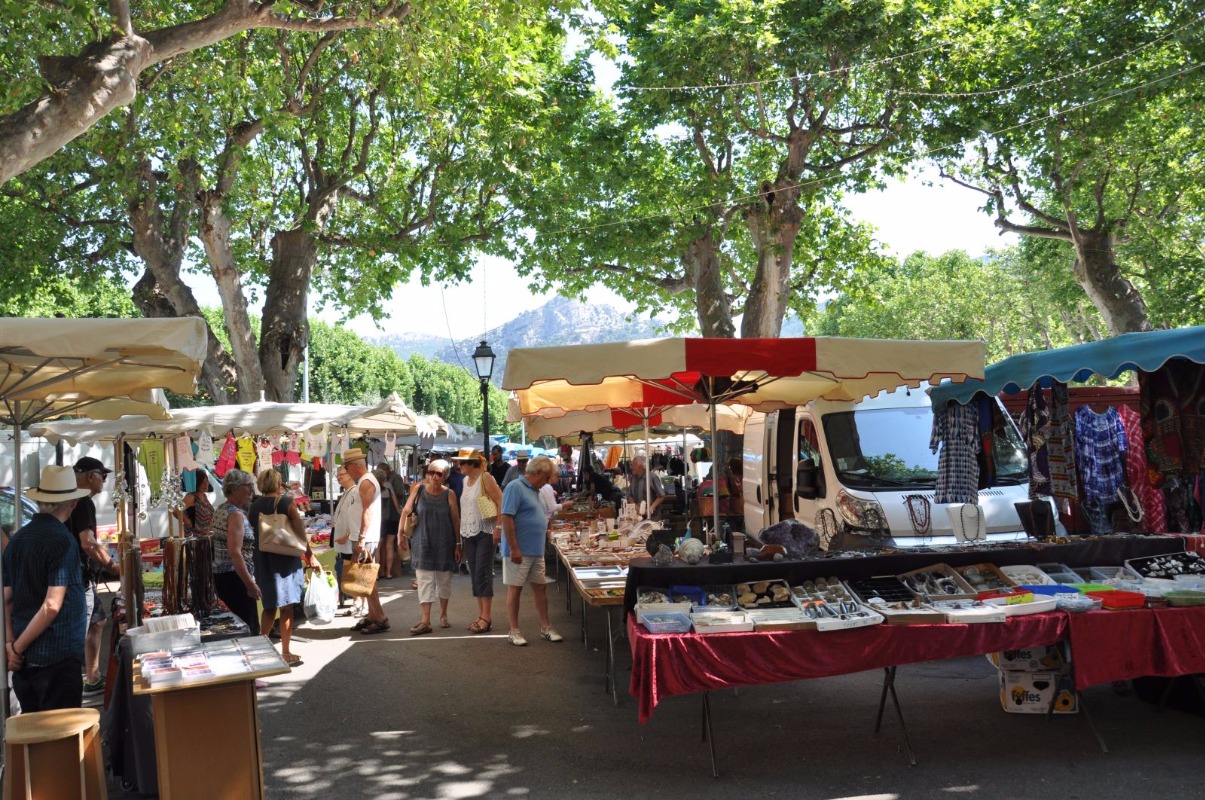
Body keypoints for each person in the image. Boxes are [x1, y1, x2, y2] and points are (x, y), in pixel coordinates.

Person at [3, 465, 90, 712]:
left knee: (36, 736)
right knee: (60, 742)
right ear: (71, 503)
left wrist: (12, 643)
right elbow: (52, 604)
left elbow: (6, 598)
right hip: (56, 658)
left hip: (25, 657)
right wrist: (15, 648)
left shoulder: (17, 540)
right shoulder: (62, 540)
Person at [67, 456, 120, 697]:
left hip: (73, 574)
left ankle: (93, 675)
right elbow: (88, 543)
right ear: (90, 476)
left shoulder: (68, 499)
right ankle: (81, 679)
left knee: (96, 621)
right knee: (82, 626)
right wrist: (113, 566)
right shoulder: (83, 502)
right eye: (103, 476)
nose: (104, 481)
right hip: (76, 575)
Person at [499, 455, 563, 647]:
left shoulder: (535, 490)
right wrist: (514, 548)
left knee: (540, 587)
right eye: (546, 477)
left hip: (535, 549)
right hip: (520, 550)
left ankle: (545, 627)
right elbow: (507, 518)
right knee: (515, 589)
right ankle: (514, 630)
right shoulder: (515, 487)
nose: (547, 482)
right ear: (538, 473)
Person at [249, 469, 306, 666]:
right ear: (278, 483)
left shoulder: (254, 506)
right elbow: (300, 531)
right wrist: (309, 555)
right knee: (287, 607)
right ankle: (285, 651)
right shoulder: (286, 503)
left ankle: (262, 651)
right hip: (286, 558)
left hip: (263, 558)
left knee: (269, 606)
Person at [399, 458, 460, 635]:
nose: (433, 476)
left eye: (438, 473)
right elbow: (406, 511)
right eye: (431, 472)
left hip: (445, 543)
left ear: (445, 477)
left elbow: (455, 520)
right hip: (422, 541)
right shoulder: (418, 489)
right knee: (425, 582)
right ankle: (425, 620)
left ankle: (443, 614)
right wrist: (400, 536)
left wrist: (458, 544)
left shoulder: (449, 494)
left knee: (444, 581)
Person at [451, 449, 503, 634]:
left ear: (473, 463)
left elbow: (500, 501)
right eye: (459, 463)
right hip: (468, 533)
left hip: (485, 532)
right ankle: (481, 614)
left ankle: (486, 617)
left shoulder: (485, 477)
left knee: (482, 572)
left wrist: (498, 528)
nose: (459, 466)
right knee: (475, 574)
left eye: (462, 463)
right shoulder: (466, 481)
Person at [343, 449, 388, 634]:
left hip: (366, 538)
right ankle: (373, 615)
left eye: (346, 467)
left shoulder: (366, 482)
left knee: (367, 580)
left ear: (354, 465)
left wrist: (361, 538)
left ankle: (380, 618)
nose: (346, 471)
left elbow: (367, 512)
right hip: (362, 536)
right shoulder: (365, 481)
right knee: (365, 580)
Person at [210, 469, 260, 634]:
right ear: (235, 488)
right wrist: (250, 584)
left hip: (224, 578)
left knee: (235, 628)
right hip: (235, 579)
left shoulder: (221, 509)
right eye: (248, 485)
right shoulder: (235, 515)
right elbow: (235, 552)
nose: (251, 490)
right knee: (246, 628)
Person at [330, 464, 358, 612]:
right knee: (348, 571)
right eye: (338, 475)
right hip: (344, 540)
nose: (339, 477)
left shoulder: (354, 492)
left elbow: (355, 517)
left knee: (353, 571)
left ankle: (357, 602)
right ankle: (355, 601)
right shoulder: (347, 492)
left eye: (342, 474)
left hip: (349, 540)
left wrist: (346, 535)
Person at [374, 462, 401, 580]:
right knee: (389, 546)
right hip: (392, 519)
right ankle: (388, 573)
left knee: (378, 547)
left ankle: (377, 574)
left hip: (379, 520)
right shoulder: (389, 486)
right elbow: (396, 505)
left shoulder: (374, 487)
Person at [178, 469, 214, 537]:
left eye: (206, 481)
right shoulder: (192, 497)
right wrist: (187, 522)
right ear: (197, 483)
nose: (206, 484)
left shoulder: (203, 496)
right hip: (194, 540)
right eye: (202, 482)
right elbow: (176, 510)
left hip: (204, 538)